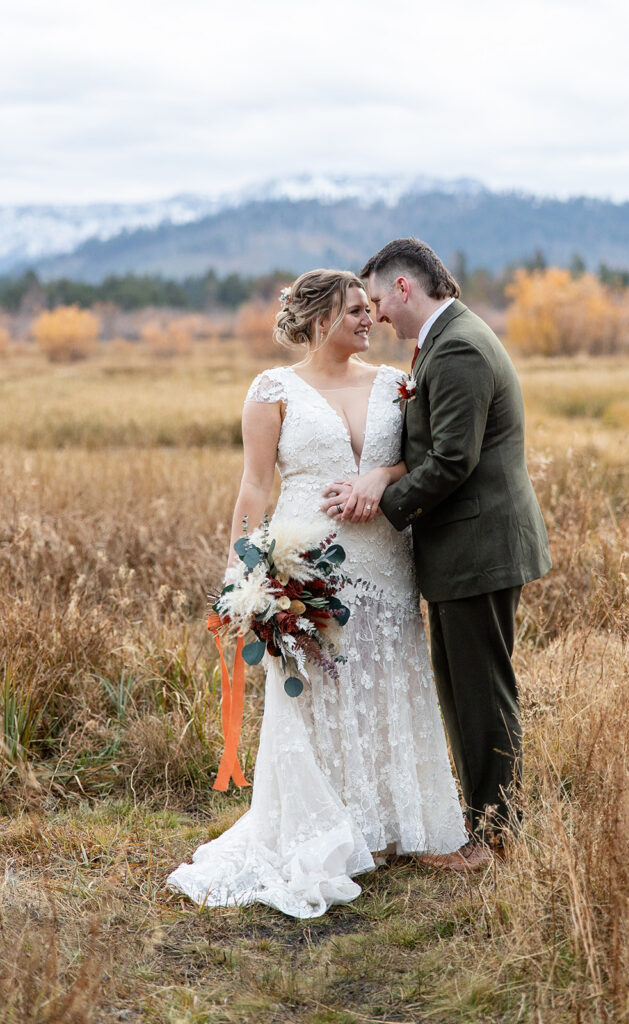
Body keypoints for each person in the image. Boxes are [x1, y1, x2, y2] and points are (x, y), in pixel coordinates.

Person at [167, 269, 472, 921]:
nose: (370, 319)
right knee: (314, 691)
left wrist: (379, 475)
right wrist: (241, 572)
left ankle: (388, 825)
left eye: (370, 309)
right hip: (304, 560)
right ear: (316, 319)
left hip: (387, 558)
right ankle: (321, 829)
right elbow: (254, 487)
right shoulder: (272, 390)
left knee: (387, 681)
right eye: (355, 310)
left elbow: (418, 461)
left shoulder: (395, 383)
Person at [322, 239, 551, 859]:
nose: (378, 317)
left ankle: (496, 839)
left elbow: (452, 459)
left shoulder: (460, 349)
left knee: (481, 693)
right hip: (464, 550)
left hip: (479, 548)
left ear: (404, 288)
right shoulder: (443, 344)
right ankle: (486, 828)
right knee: (463, 688)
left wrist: (380, 505)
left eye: (378, 301)